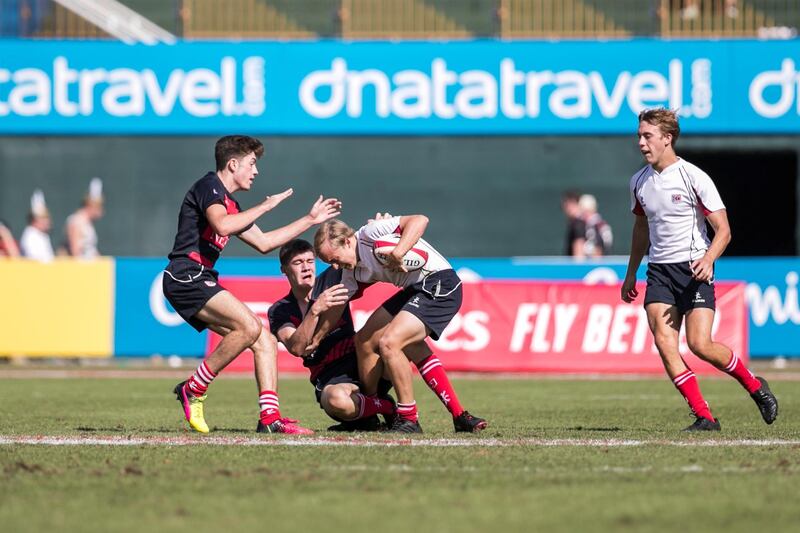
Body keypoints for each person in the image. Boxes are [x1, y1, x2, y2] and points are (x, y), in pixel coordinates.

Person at [165, 135, 341, 435]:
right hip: (186, 275)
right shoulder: (210, 187)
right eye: (252, 163)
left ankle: (270, 419)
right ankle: (194, 388)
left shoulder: (230, 204)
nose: (255, 171)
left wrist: (309, 220)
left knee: (265, 340)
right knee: (248, 326)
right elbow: (222, 225)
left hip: (199, 277)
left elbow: (264, 243)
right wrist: (265, 206)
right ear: (233, 164)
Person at [621, 108, 778, 431]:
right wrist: (631, 272)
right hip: (659, 271)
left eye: (647, 136)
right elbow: (641, 229)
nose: (641, 142)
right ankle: (704, 416)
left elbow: (724, 230)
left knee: (700, 344)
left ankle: (754, 385)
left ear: (667, 138)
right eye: (639, 136)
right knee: (665, 342)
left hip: (693, 270)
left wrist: (708, 260)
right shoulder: (639, 182)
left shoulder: (693, 177)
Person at [314, 215, 488, 434]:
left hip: (440, 284)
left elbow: (420, 220)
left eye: (335, 258)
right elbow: (339, 305)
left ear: (348, 241)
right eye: (330, 262)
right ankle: (373, 413)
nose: (334, 265)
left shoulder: (370, 233)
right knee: (365, 339)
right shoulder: (351, 271)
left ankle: (409, 419)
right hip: (414, 290)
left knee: (390, 343)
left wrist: (399, 252)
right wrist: (317, 337)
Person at [64, 177, 104, 258]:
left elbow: (91, 250)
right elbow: (75, 252)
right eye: (99, 207)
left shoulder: (88, 223)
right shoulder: (76, 221)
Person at [20, 189, 54, 262]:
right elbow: (34, 259)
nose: (47, 221)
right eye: (43, 218)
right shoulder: (30, 235)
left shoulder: (43, 235)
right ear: (34, 219)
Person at [561, 190, 586, 257]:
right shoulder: (580, 222)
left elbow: (579, 245)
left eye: (566, 205)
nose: (565, 209)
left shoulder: (578, 223)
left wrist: (577, 266)